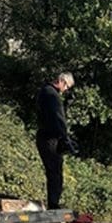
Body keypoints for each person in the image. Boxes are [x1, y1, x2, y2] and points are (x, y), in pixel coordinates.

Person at [35, 72, 77, 209]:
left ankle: (54, 202)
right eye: (67, 86)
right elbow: (58, 119)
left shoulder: (46, 92)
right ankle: (53, 204)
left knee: (54, 171)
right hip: (49, 138)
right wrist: (65, 139)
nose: (66, 90)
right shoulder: (52, 95)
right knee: (55, 172)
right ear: (61, 81)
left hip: (46, 136)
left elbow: (55, 116)